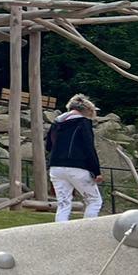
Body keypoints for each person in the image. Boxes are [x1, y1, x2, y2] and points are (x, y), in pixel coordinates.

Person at [47, 93, 103, 221]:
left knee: (63, 203)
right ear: (87, 110)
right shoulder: (83, 122)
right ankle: (88, 230)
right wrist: (96, 171)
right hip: (77, 167)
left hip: (56, 166)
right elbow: (89, 148)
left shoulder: (57, 123)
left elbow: (49, 146)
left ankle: (61, 233)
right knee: (94, 200)